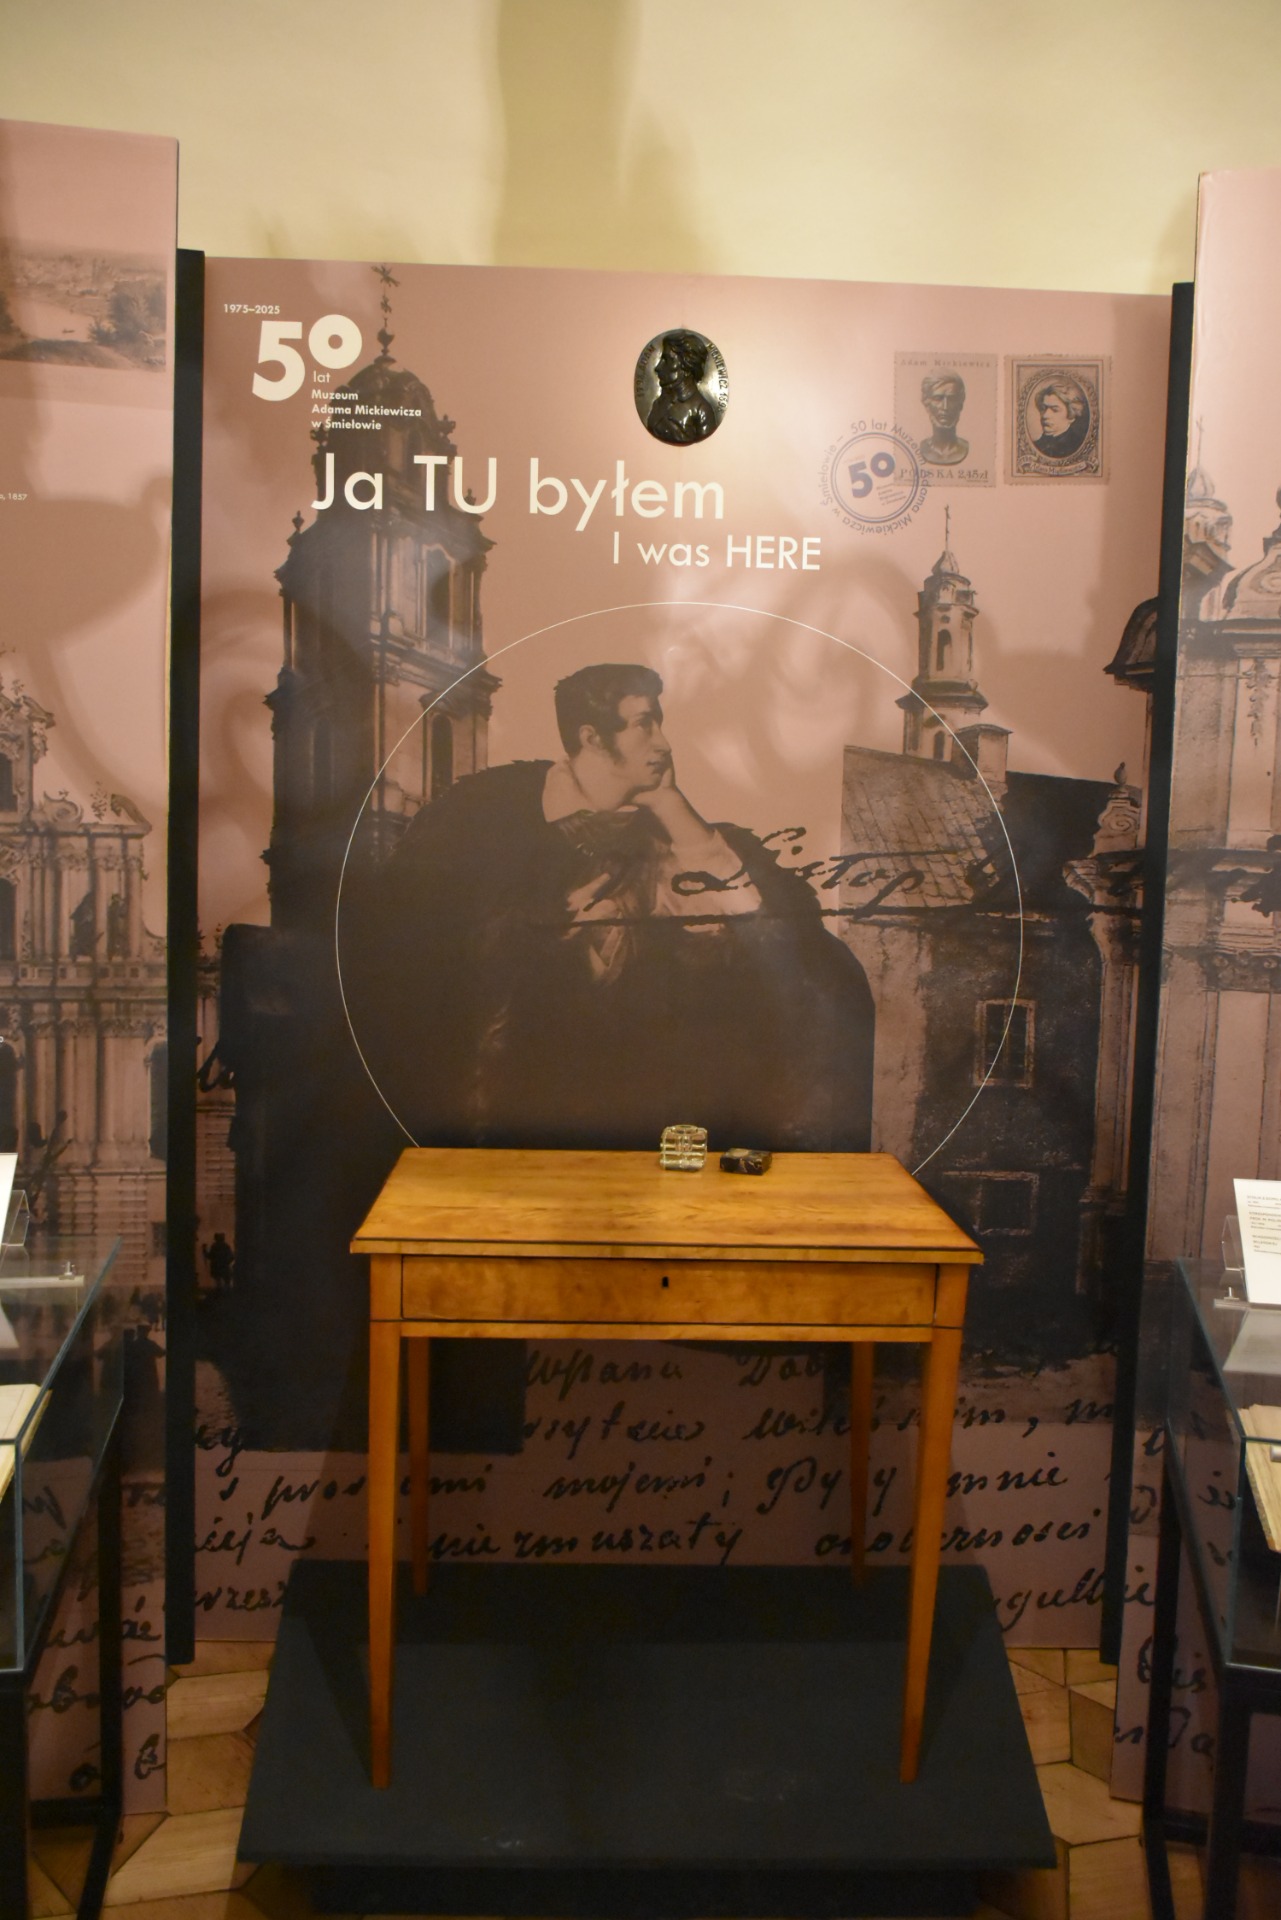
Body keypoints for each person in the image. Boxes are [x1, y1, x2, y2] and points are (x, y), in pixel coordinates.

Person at [343, 663, 874, 1152]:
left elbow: (777, 943)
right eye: (643, 724)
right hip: (516, 1122)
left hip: (660, 1123)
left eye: (659, 722)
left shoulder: (682, 833)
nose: (663, 742)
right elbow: (418, 975)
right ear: (592, 738)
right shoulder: (483, 820)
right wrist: (543, 938)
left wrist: (671, 807)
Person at [645, 332, 720, 445]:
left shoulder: (702, 411)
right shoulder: (658, 403)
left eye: (667, 360)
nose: (658, 367)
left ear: (686, 366)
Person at [919, 371, 969, 466]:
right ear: (926, 403)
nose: (945, 407)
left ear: (960, 404)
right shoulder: (922, 448)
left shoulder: (966, 447)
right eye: (938, 398)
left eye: (952, 399)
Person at [1032, 378, 1090, 460]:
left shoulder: (1078, 445)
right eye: (1043, 408)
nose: (1045, 415)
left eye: (1055, 410)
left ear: (1071, 415)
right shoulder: (1036, 446)